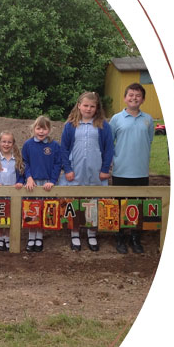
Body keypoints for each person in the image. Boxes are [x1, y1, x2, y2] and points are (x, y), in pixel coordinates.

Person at [59, 92, 114, 252]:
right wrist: (67, 169)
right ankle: (75, 233)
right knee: (74, 202)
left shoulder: (103, 125)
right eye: (85, 105)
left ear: (97, 108)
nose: (88, 109)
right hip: (75, 171)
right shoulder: (70, 125)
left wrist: (105, 169)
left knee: (93, 202)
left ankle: (91, 233)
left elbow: (109, 148)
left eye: (92, 106)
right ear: (79, 105)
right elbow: (64, 149)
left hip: (96, 172)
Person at [108, 82, 154, 254]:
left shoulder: (148, 119)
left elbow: (149, 141)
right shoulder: (116, 119)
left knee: (138, 205)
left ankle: (135, 238)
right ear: (125, 98)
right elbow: (109, 143)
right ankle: (120, 237)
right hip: (121, 170)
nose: (134, 98)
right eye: (131, 95)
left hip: (141, 170)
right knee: (120, 204)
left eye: (138, 95)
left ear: (143, 99)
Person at [22, 115, 62, 252]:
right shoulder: (28, 145)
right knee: (32, 210)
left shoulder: (54, 145)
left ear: (49, 130)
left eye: (44, 129)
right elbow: (24, 163)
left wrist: (52, 181)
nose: (41, 132)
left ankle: (39, 237)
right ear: (34, 129)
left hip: (47, 184)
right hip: (32, 184)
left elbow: (58, 164)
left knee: (44, 210)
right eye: (38, 128)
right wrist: (28, 177)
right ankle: (31, 237)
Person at [0, 131, 25, 251]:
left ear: (13, 144)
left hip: (13, 194)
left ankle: (8, 238)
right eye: (4, 141)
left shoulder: (17, 159)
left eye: (9, 142)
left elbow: (22, 174)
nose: (6, 144)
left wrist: (20, 182)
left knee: (10, 216)